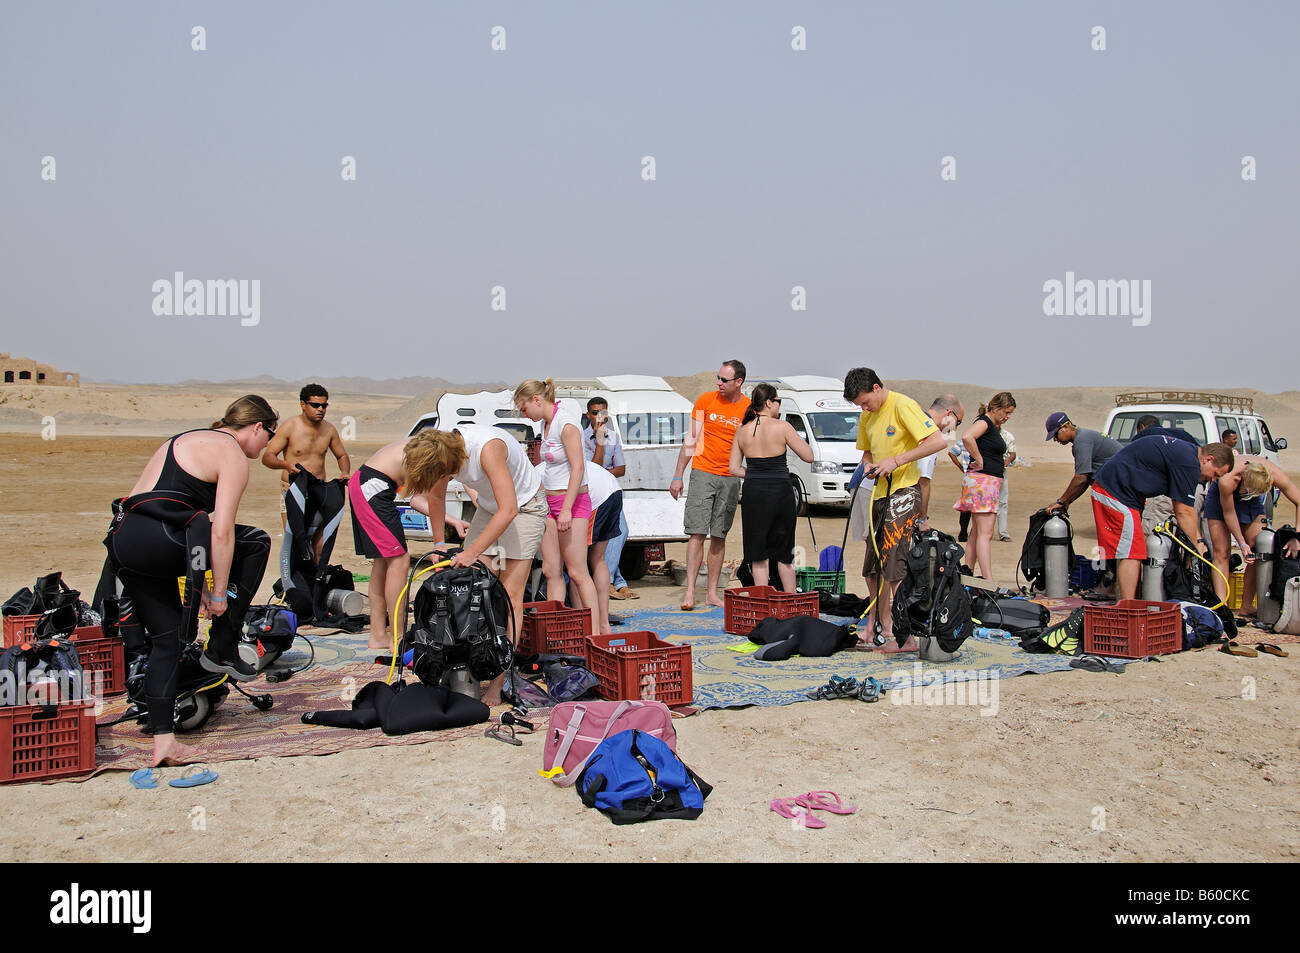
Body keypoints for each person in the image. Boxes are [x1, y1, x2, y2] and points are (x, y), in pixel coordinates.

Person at [103, 396, 278, 767]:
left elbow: (143, 500)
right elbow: (222, 535)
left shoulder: (180, 439)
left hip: (124, 540)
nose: (267, 445)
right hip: (162, 539)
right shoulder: (229, 451)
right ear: (256, 427)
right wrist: (216, 594)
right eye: (269, 434)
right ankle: (223, 645)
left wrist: (197, 579)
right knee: (258, 542)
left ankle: (164, 742)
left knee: (166, 643)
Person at [418, 426, 549, 705]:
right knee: (471, 587)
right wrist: (440, 543)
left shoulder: (487, 449)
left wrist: (473, 551)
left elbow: (510, 509)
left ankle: (500, 680)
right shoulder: (440, 448)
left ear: (452, 460)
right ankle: (470, 662)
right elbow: (436, 497)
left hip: (524, 507)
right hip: (492, 507)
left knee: (509, 596)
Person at [843, 368, 947, 652]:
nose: (864, 408)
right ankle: (879, 624)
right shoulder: (867, 414)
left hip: (903, 492)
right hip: (877, 494)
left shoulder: (903, 405)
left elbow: (938, 441)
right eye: (859, 406)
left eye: (865, 402)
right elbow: (867, 450)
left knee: (894, 564)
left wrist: (897, 460)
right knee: (872, 565)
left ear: (877, 388)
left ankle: (906, 637)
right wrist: (868, 463)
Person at [1090, 437, 1234, 601]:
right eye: (1215, 474)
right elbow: (1183, 512)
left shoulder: (1188, 453)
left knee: (1134, 552)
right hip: (1114, 491)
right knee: (1132, 554)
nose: (1213, 480)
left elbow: (1182, 506)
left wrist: (1195, 543)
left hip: (1122, 492)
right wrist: (1194, 551)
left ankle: (1131, 603)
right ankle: (1126, 609)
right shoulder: (1189, 463)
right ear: (1209, 459)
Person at [348, 433, 451, 651]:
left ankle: (378, 633)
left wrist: (453, 521)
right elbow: (425, 500)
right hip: (372, 488)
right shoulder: (434, 453)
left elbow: (420, 499)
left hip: (366, 484)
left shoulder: (428, 445)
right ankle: (398, 637)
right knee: (400, 561)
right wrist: (442, 536)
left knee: (383, 562)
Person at [515, 379, 600, 635]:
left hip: (570, 503)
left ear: (536, 400)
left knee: (577, 571)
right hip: (548, 502)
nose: (523, 414)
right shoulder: (545, 423)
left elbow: (578, 467)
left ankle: (595, 633)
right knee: (552, 571)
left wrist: (566, 508)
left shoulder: (566, 423)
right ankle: (555, 632)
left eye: (523, 408)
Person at [669, 360, 749, 610]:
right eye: (718, 378)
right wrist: (678, 475)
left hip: (731, 476)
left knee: (719, 535)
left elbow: (754, 444)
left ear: (739, 382)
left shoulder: (749, 408)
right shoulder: (706, 400)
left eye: (724, 380)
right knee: (696, 533)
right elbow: (692, 439)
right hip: (703, 472)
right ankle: (690, 592)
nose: (719, 383)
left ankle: (712, 593)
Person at [728, 383, 814, 590]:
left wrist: (756, 473)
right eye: (778, 401)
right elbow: (808, 456)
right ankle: (791, 601)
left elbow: (733, 468)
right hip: (780, 491)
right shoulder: (782, 427)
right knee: (784, 553)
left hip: (754, 492)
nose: (779, 406)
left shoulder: (742, 430)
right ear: (768, 402)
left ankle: (761, 605)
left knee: (758, 555)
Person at [261, 384, 351, 549]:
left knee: (319, 543)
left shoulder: (329, 429)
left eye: (324, 405)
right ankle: (293, 575)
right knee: (295, 542)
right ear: (303, 404)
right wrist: (285, 465)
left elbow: (342, 455)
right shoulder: (290, 427)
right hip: (293, 490)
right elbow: (268, 457)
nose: (321, 409)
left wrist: (345, 472)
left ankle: (317, 574)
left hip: (318, 491)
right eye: (315, 405)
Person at [1205, 457, 1300, 612]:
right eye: (1251, 490)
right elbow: (1229, 514)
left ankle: (1246, 605)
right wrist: (1241, 543)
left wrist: (1297, 536)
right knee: (1221, 552)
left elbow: (1299, 500)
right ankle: (1222, 607)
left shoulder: (1274, 474)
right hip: (1222, 499)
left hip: (1251, 500)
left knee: (1259, 549)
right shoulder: (1227, 479)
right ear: (1244, 478)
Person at [955, 393, 1017, 580]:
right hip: (984, 482)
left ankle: (968, 571)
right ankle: (988, 579)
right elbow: (967, 437)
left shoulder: (992, 425)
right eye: (1006, 412)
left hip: (986, 482)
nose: (1008, 417)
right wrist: (980, 459)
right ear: (996, 408)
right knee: (986, 532)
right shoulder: (985, 422)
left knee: (976, 531)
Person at [583, 396, 637, 601]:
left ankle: (614, 581)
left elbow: (621, 468)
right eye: (595, 413)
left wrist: (604, 474)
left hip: (610, 492)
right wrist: (599, 442)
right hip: (591, 496)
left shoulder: (613, 437)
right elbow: (594, 469)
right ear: (588, 415)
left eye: (603, 412)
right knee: (601, 538)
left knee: (621, 531)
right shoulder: (580, 437)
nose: (599, 417)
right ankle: (615, 582)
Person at [569, 459, 624, 634]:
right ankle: (603, 624)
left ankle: (583, 626)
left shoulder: (542, 472)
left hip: (597, 497)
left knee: (577, 566)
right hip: (613, 489)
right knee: (598, 559)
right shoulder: (564, 459)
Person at [1043, 413, 1122, 516]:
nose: (1055, 439)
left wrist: (1061, 501)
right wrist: (1067, 501)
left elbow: (1081, 478)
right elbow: (1085, 480)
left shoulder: (1082, 441)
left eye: (1055, 435)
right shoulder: (1082, 437)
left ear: (1065, 427)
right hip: (1116, 484)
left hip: (1120, 485)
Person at [996, 427, 1017, 542]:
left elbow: (1012, 453)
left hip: (1000, 470)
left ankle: (1003, 533)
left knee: (1002, 502)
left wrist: (1007, 462)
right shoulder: (982, 431)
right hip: (985, 471)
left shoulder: (1007, 436)